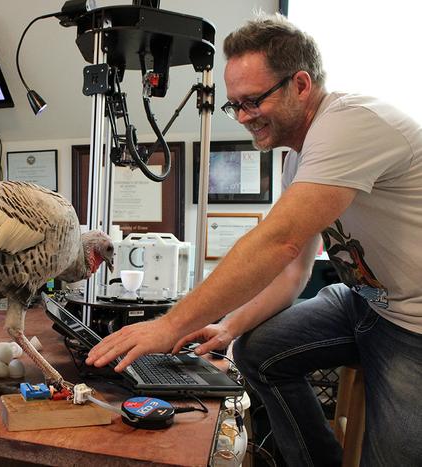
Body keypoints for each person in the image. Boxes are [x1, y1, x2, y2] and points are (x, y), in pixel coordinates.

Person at [86, 14, 422, 466]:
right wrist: (229, 326)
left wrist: (171, 325)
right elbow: (293, 268)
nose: (243, 116)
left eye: (252, 101)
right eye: (234, 105)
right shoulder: (296, 160)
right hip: (362, 301)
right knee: (255, 351)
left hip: (414, 323)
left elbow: (277, 243)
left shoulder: (352, 124)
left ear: (300, 84)